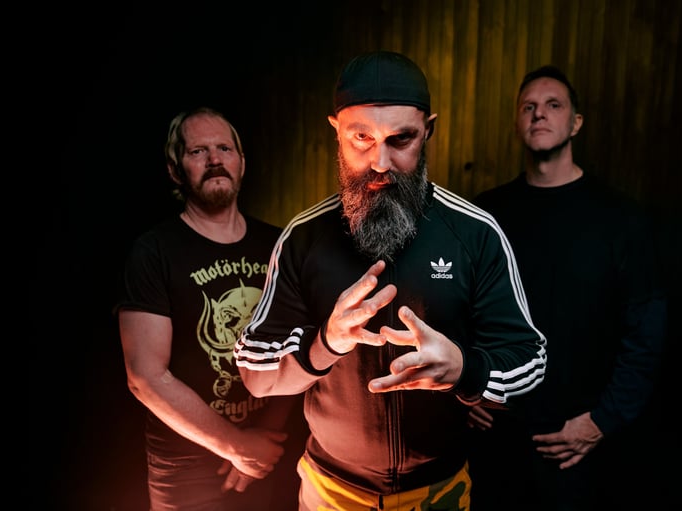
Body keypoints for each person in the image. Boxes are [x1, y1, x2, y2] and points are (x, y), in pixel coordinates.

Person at [232, 50, 548, 511]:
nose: (380, 161)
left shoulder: (476, 233)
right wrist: (326, 344)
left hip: (441, 490)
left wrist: (466, 370)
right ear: (336, 132)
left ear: (428, 131)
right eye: (361, 138)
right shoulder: (302, 239)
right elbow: (255, 376)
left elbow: (531, 364)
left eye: (401, 139)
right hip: (331, 492)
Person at [468, 65, 668, 510]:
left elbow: (646, 332)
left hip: (577, 441)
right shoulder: (485, 214)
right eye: (528, 107)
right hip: (497, 438)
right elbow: (456, 308)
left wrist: (601, 421)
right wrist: (464, 387)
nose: (539, 114)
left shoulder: (620, 220)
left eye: (553, 105)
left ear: (576, 123)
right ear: (517, 122)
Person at [115, 106, 307, 511]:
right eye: (198, 151)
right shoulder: (154, 251)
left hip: (271, 455)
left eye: (224, 148)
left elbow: (296, 349)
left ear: (241, 163)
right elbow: (145, 377)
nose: (215, 159)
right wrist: (236, 446)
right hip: (186, 469)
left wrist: (264, 440)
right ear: (175, 170)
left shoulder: (278, 246)